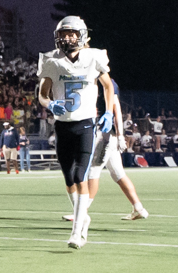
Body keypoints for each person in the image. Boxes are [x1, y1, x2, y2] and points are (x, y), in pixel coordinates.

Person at [37, 15, 116, 249]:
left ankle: (77, 230)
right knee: (69, 177)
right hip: (62, 124)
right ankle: (83, 217)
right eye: (63, 34)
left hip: (85, 124)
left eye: (71, 33)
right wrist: (49, 104)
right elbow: (42, 94)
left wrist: (109, 112)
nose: (67, 38)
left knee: (81, 174)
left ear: (81, 35)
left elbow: (108, 86)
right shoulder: (51, 60)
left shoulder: (94, 57)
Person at [70, 81, 148, 222]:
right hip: (102, 132)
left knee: (93, 170)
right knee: (118, 174)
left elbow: (116, 108)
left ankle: (81, 211)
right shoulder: (91, 79)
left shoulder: (106, 82)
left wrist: (120, 135)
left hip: (105, 133)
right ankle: (139, 208)